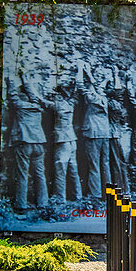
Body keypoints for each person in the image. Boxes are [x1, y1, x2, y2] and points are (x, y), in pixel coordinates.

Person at [7, 71, 48, 211]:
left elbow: (12, 95)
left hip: (25, 143)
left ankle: (21, 206)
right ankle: (43, 204)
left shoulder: (20, 106)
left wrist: (11, 79)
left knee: (22, 174)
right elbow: (34, 96)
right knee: (39, 174)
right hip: (39, 143)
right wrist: (25, 79)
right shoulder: (37, 107)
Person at [79, 62, 110, 198]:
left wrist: (82, 70)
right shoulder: (104, 98)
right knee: (105, 163)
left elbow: (81, 87)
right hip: (105, 133)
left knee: (94, 165)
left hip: (93, 133)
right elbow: (99, 87)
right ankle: (108, 193)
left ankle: (96, 194)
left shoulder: (94, 97)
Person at [48, 67, 80, 203]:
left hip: (62, 140)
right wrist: (78, 78)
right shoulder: (69, 104)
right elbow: (76, 94)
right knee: (73, 169)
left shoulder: (57, 105)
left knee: (61, 170)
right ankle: (78, 197)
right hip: (72, 139)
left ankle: (61, 200)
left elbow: (38, 99)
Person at [107, 71, 130, 194]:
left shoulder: (112, 104)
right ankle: (124, 187)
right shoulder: (121, 106)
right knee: (119, 162)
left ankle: (120, 188)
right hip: (117, 134)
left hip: (112, 134)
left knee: (116, 162)